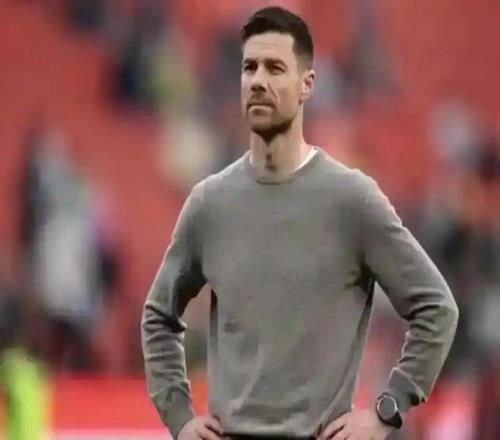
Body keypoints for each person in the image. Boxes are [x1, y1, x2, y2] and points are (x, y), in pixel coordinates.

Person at [141, 6, 459, 440]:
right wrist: (179, 418)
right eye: (249, 67)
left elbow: (437, 308)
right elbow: (158, 317)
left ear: (307, 84)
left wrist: (388, 410)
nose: (258, 81)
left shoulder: (352, 199)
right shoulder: (209, 204)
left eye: (275, 68)